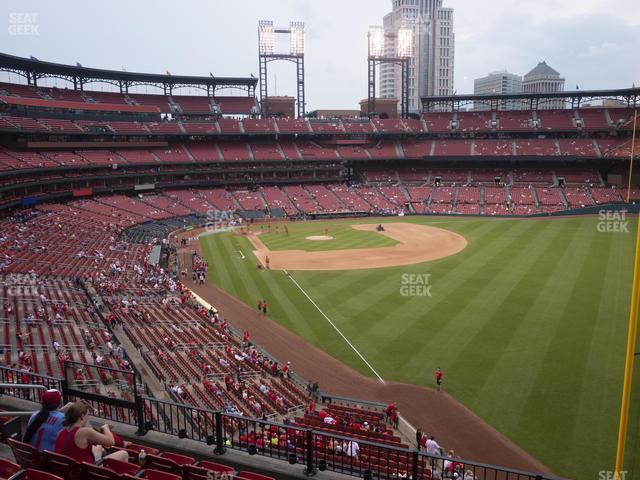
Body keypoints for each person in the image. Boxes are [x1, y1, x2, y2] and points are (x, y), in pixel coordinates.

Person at [54, 402, 129, 464]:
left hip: (69, 468)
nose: (88, 418)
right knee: (124, 454)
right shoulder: (84, 432)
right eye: (87, 415)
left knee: (99, 448)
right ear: (82, 416)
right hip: (86, 471)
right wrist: (106, 428)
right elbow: (111, 442)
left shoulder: (61, 432)